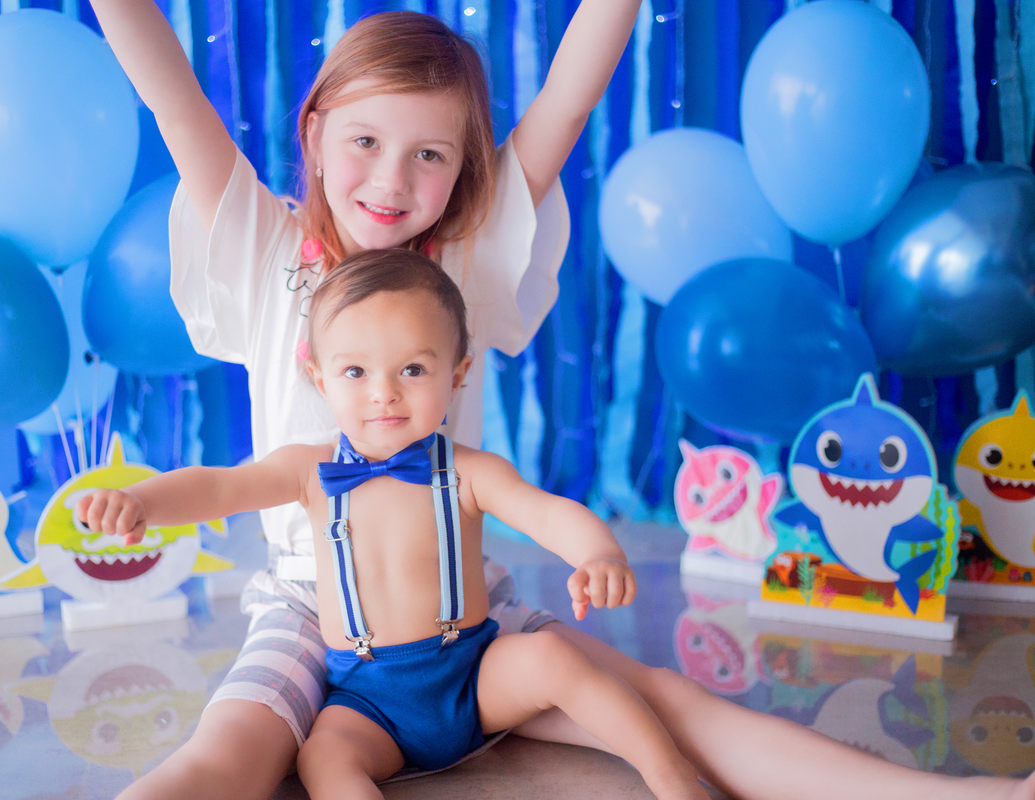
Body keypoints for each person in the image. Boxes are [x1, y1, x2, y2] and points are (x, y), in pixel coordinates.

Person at [87, 4, 1035, 800]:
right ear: (315, 132)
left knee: (663, 700)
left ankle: (949, 795)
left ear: (466, 171)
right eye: (365, 141)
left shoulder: (462, 259)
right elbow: (172, 90)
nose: (390, 179)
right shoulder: (262, 246)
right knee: (231, 754)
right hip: (306, 604)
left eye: (430, 155)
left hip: (454, 607)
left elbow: (570, 99)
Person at [82, 250, 709, 800]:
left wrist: (599, 554)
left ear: (458, 373)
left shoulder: (466, 471)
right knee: (323, 757)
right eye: (356, 372)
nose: (383, 393)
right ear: (319, 378)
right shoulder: (309, 469)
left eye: (411, 370)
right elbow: (221, 485)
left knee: (551, 655)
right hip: (368, 696)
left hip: (469, 671)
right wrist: (143, 502)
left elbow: (544, 511)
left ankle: (668, 772)